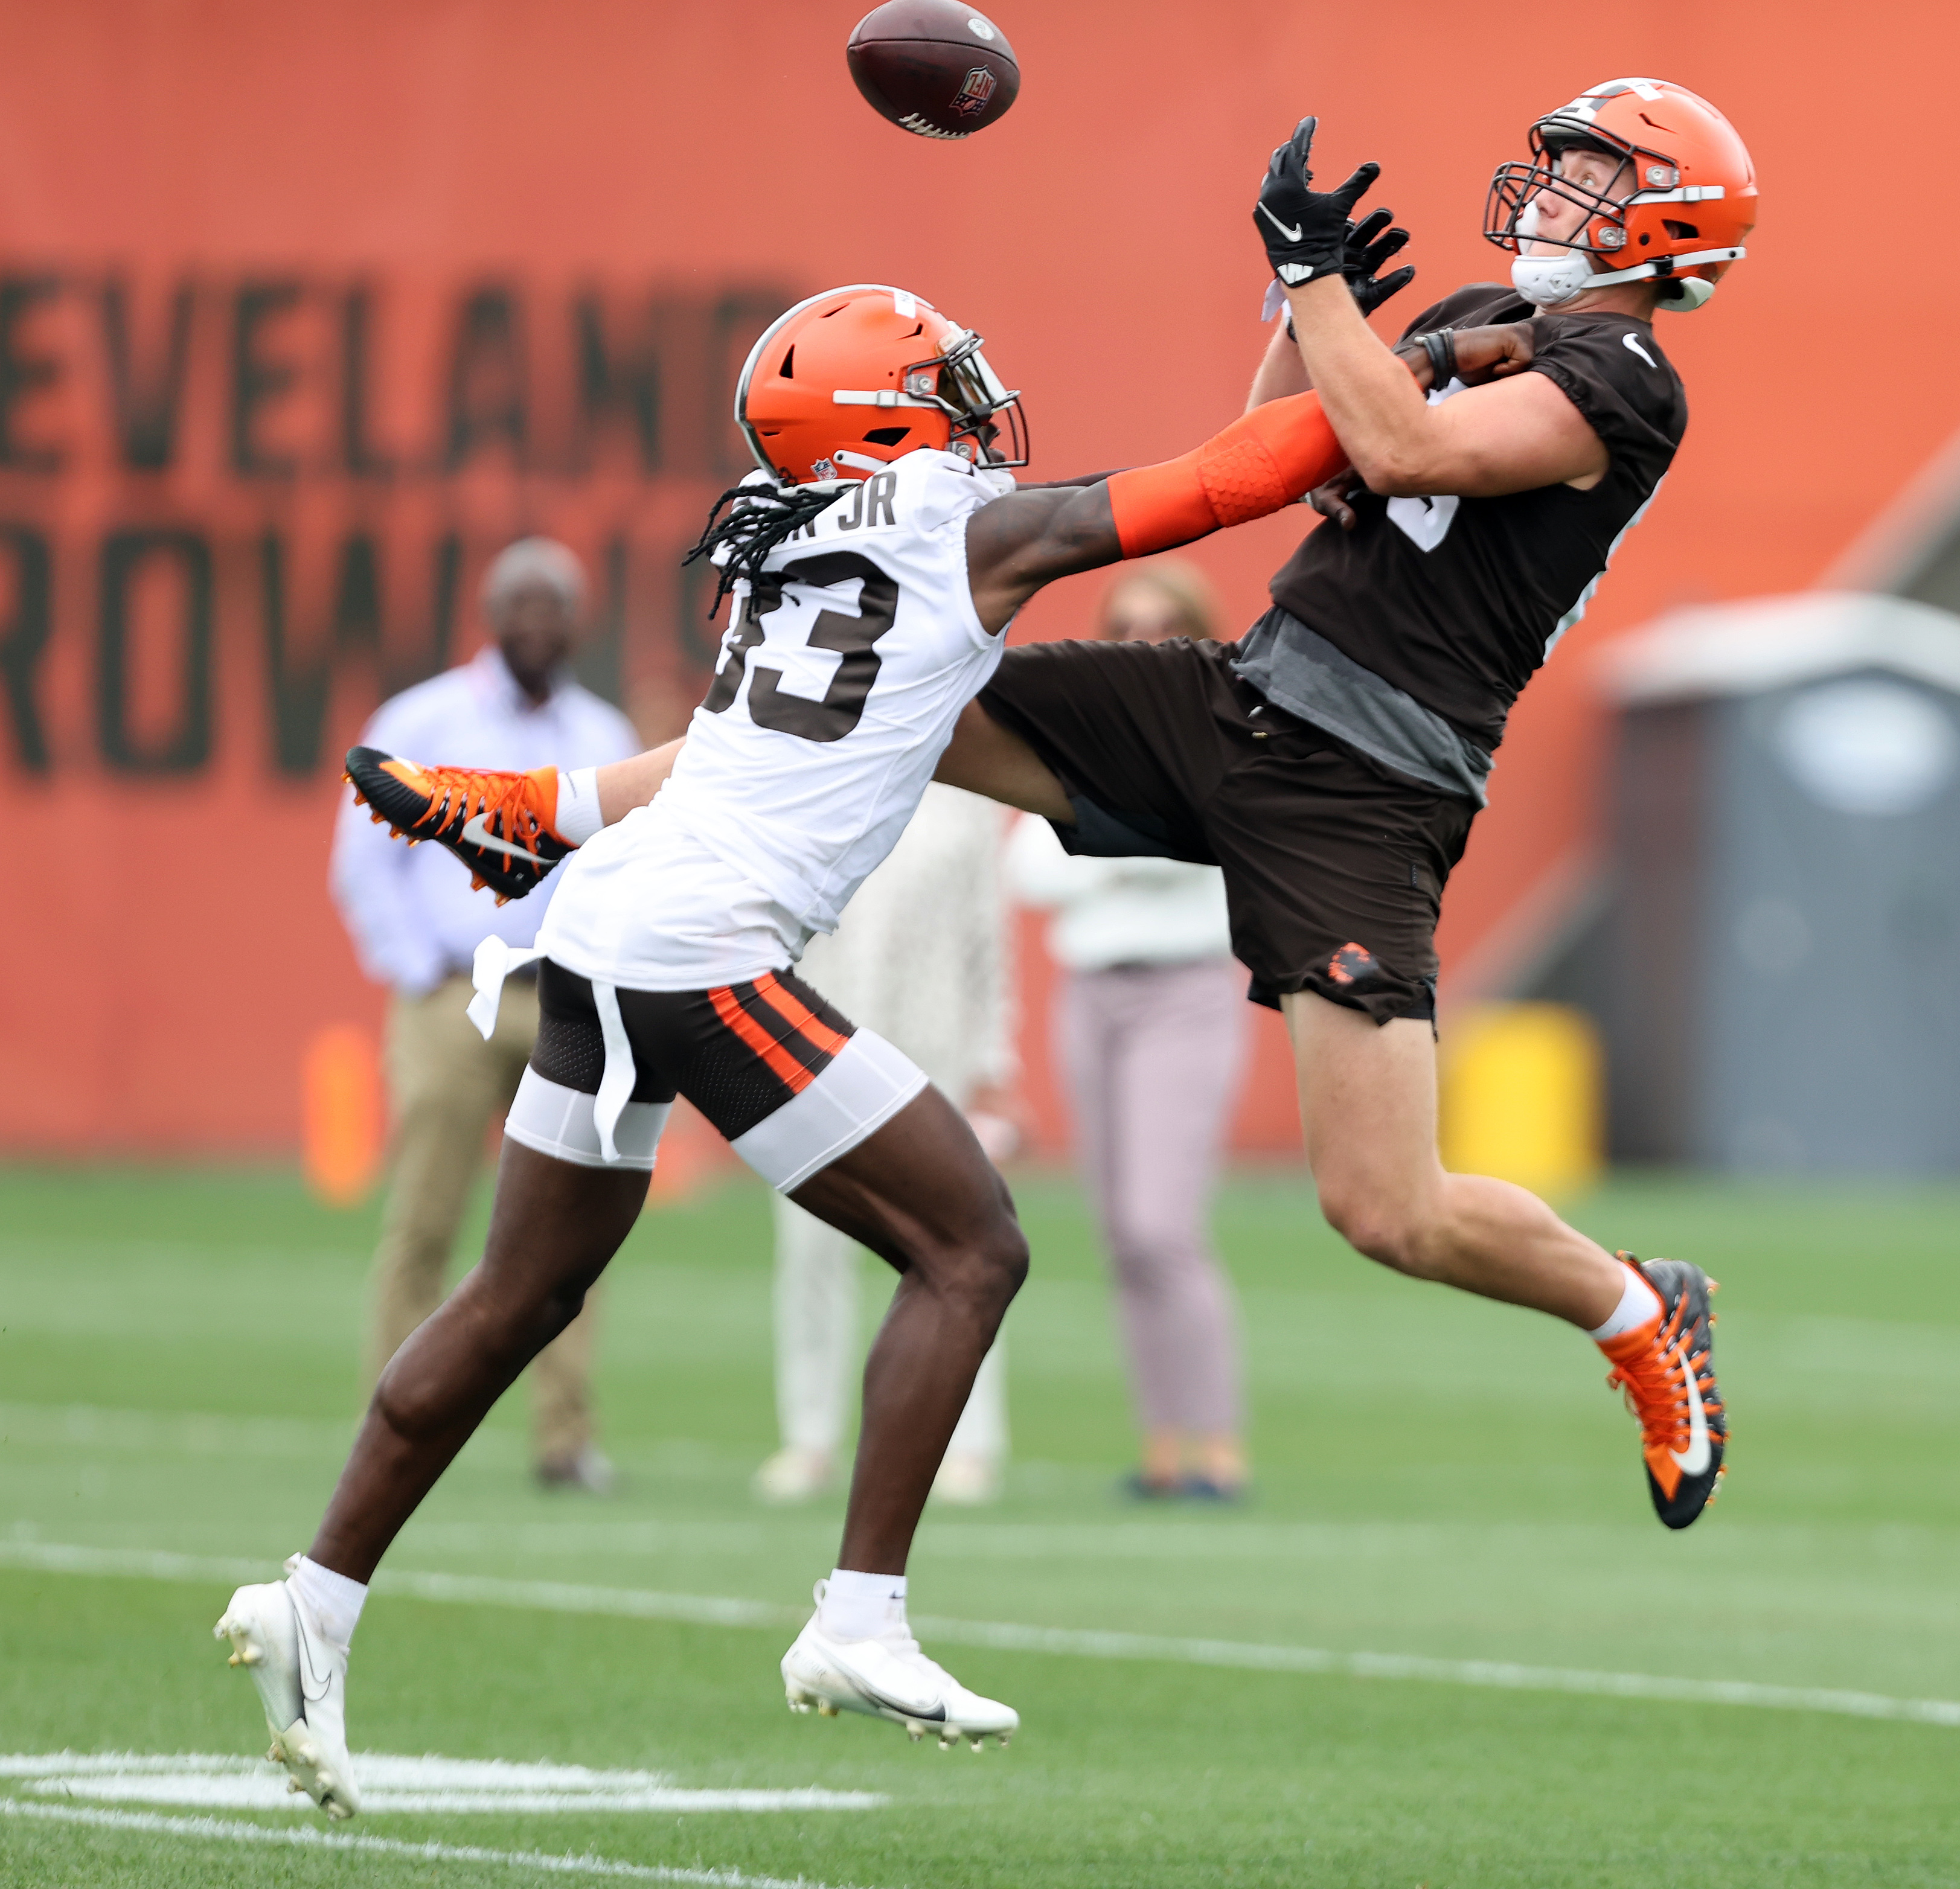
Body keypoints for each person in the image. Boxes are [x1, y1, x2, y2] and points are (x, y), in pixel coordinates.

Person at [382, 80, 1745, 1562]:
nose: (1550, 198)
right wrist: (1305, 312)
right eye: (1559, 172)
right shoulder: (1511, 319)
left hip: (1368, 780)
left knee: (1387, 1207)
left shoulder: (1626, 378)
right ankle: (548, 817)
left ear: (1666, 226)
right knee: (891, 688)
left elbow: (1407, 456)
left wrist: (1326, 291)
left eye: (1593, 180)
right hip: (1244, 697)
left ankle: (1637, 1308)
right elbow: (1265, 447)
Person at [219, 281, 1368, 1817]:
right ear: (886, 419)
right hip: (698, 951)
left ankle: (318, 1596)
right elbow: (1230, 480)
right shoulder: (963, 532)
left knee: (518, 1293)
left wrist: (540, 812)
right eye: (943, 384)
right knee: (973, 1248)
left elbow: (724, 756)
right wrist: (1403, 362)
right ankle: (859, 1618)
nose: (976, 403)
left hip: (615, 928)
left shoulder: (790, 531)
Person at [328, 536, 636, 1493]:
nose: (538, 624)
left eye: (554, 606)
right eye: (522, 606)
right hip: (455, 991)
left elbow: (633, 863)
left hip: (567, 996)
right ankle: (395, 1425)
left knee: (573, 1229)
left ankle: (564, 1438)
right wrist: (417, 968)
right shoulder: (425, 717)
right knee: (426, 1217)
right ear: (492, 617)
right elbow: (363, 858)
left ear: (576, 621)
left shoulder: (604, 734)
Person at [1007, 563, 1250, 1500]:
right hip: (1092, 996)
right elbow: (1031, 868)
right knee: (1120, 1234)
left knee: (1162, 1225)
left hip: (1182, 992)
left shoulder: (1226, 722)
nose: (1145, 638)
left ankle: (1218, 1449)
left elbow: (1212, 839)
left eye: (1165, 623)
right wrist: (1130, 846)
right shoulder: (1081, 729)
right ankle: (1161, 1449)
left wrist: (1100, 844)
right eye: (1129, 623)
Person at [758, 781, 1016, 1509]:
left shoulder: (965, 799)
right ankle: (809, 1439)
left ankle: (968, 1442)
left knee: (959, 1244)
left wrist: (994, 1057)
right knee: (809, 1248)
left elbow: (985, 934)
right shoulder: (815, 779)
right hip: (814, 1042)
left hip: (932, 1049)